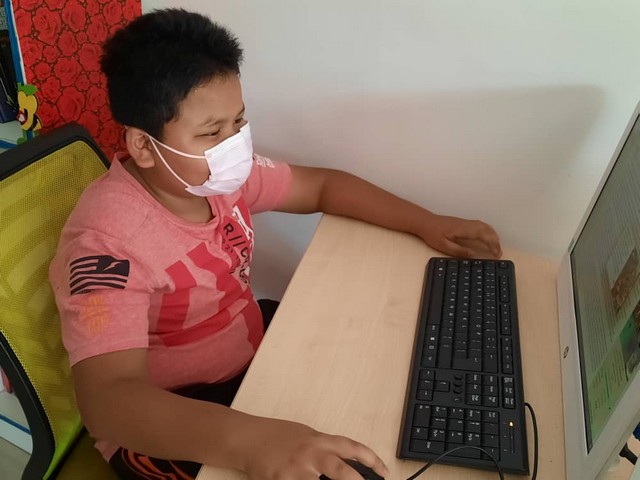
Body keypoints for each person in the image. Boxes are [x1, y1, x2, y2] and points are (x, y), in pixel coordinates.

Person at [49, 8, 502, 480]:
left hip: (247, 356)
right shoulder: (105, 243)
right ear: (144, 146)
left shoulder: (213, 178)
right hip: (173, 418)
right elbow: (108, 402)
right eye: (212, 132)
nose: (234, 145)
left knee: (383, 382)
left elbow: (322, 187)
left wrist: (426, 223)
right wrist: (251, 442)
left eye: (238, 121)